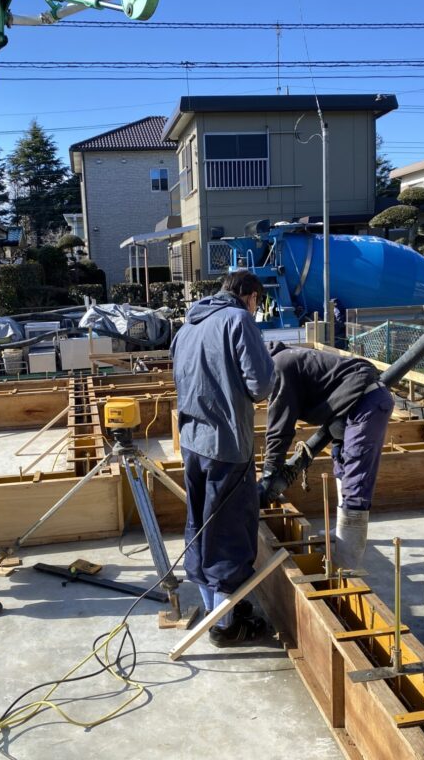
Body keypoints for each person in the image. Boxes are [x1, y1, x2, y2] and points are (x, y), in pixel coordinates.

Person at [171, 270, 275, 647]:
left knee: (200, 525)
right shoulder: (238, 319)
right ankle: (225, 625)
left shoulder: (187, 327)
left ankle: (218, 607)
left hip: (192, 442)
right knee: (230, 535)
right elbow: (260, 386)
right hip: (226, 447)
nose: (256, 309)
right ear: (248, 295)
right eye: (257, 302)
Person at [261, 344, 394, 569]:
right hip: (346, 406)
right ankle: (342, 532)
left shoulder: (280, 366)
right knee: (341, 461)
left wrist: (270, 470)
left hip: (366, 402)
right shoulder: (283, 359)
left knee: (356, 479)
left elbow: (280, 426)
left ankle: (348, 561)